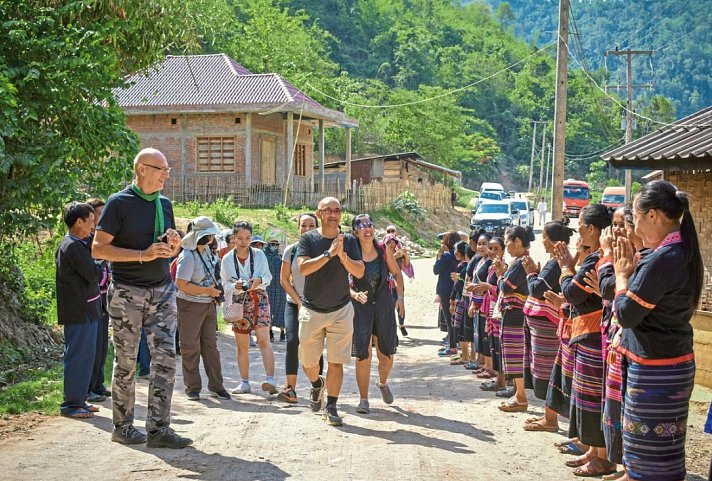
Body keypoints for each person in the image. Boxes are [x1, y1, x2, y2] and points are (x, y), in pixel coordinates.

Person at [93, 147, 192, 448]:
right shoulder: (118, 203)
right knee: (126, 361)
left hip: (162, 290)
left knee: (166, 360)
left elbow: (168, 247)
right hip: (127, 293)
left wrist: (172, 246)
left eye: (167, 170)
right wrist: (141, 255)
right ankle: (122, 427)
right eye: (160, 169)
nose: (166, 174)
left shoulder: (164, 203)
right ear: (141, 170)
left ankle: (159, 429)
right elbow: (98, 248)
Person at [613, 181, 701, 481]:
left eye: (635, 217)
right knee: (658, 448)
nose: (634, 228)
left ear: (652, 216)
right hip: (671, 363)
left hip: (656, 370)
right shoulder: (679, 251)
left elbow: (626, 314)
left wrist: (622, 276)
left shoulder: (664, 259)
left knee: (650, 454)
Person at [554, 204, 613, 476]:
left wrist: (566, 268)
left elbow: (572, 293)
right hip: (588, 334)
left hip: (593, 336)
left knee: (593, 397)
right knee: (587, 396)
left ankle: (602, 457)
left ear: (591, 228)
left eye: (579, 225)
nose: (578, 231)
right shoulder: (596, 258)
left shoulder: (598, 259)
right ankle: (594, 450)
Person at [297, 197, 364, 426]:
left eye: (337, 210)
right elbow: (303, 268)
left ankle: (332, 407)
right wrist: (327, 255)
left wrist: (342, 255)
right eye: (328, 211)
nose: (333, 214)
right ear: (319, 213)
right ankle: (317, 384)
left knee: (337, 361)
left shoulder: (350, 241)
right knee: (308, 361)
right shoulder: (308, 238)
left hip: (341, 309)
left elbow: (360, 271)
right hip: (312, 309)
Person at [521, 218, 574, 432]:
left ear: (553, 242)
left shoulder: (554, 265)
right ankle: (548, 416)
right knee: (548, 371)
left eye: (544, 237)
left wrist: (531, 273)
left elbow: (536, 289)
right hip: (544, 326)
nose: (542, 241)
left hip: (548, 327)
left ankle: (550, 418)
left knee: (548, 371)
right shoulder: (554, 263)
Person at [350, 214, 405, 414]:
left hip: (383, 305)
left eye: (370, 225)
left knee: (386, 354)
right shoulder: (351, 251)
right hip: (361, 307)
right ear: (355, 231)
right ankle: (363, 399)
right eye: (362, 226)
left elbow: (397, 273)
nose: (368, 229)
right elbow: (342, 281)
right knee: (363, 354)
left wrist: (400, 298)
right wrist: (353, 294)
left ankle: (382, 383)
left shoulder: (382, 250)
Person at [175, 216, 230, 402]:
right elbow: (181, 284)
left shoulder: (207, 252)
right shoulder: (187, 256)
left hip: (208, 304)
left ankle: (217, 386)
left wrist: (214, 293)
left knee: (210, 347)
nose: (212, 238)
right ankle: (192, 387)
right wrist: (207, 290)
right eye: (209, 235)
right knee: (190, 346)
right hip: (190, 305)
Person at [56, 202, 102, 419]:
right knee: (77, 357)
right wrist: (102, 262)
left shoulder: (79, 243)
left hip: (88, 309)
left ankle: (80, 399)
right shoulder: (71, 246)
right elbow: (92, 273)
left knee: (86, 357)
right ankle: (71, 404)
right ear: (78, 222)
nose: (94, 225)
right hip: (78, 311)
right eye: (91, 221)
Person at [221, 221, 277, 396]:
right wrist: (236, 285)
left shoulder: (259, 254)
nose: (243, 242)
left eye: (247, 238)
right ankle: (244, 382)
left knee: (263, 340)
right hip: (239, 302)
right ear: (233, 238)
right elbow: (225, 283)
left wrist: (259, 281)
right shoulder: (227, 259)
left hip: (259, 298)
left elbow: (268, 277)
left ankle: (270, 379)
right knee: (242, 345)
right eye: (239, 238)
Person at [278, 213, 323, 404]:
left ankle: (317, 387)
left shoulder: (323, 251)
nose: (307, 229)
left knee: (315, 346)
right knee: (292, 341)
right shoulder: (292, 250)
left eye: (311, 225)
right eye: (303, 225)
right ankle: (290, 389)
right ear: (298, 228)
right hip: (294, 303)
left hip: (318, 306)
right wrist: (298, 301)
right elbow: (283, 279)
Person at [493, 226, 531, 413]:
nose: (506, 245)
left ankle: (521, 397)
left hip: (515, 314)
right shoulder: (518, 262)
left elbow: (506, 287)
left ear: (517, 242)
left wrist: (500, 275)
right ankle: (518, 394)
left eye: (507, 241)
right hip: (514, 313)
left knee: (515, 354)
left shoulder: (521, 262)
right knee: (513, 353)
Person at [86, 197, 111, 401]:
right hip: (93, 296)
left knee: (103, 343)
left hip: (105, 297)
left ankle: (98, 383)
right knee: (92, 345)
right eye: (99, 213)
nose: (102, 216)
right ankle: (88, 387)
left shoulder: (104, 236)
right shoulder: (87, 238)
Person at [434, 231, 461, 357]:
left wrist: (439, 257)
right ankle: (455, 344)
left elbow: (436, 270)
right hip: (456, 289)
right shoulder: (459, 256)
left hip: (445, 290)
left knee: (449, 319)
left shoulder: (446, 256)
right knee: (455, 318)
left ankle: (452, 346)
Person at [382, 233, 413, 336]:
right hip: (386, 284)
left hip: (397, 285)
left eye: (393, 242)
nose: (391, 244)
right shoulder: (382, 254)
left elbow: (406, 265)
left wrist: (405, 255)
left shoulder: (398, 253)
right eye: (389, 242)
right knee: (389, 307)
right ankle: (392, 330)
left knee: (400, 305)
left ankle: (401, 324)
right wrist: (393, 257)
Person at [265, 235, 287, 342]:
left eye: (276, 244)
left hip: (280, 287)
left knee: (281, 309)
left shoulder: (281, 257)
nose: (274, 246)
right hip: (268, 286)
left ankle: (283, 332)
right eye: (272, 244)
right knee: (269, 309)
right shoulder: (264, 256)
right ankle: (270, 332)